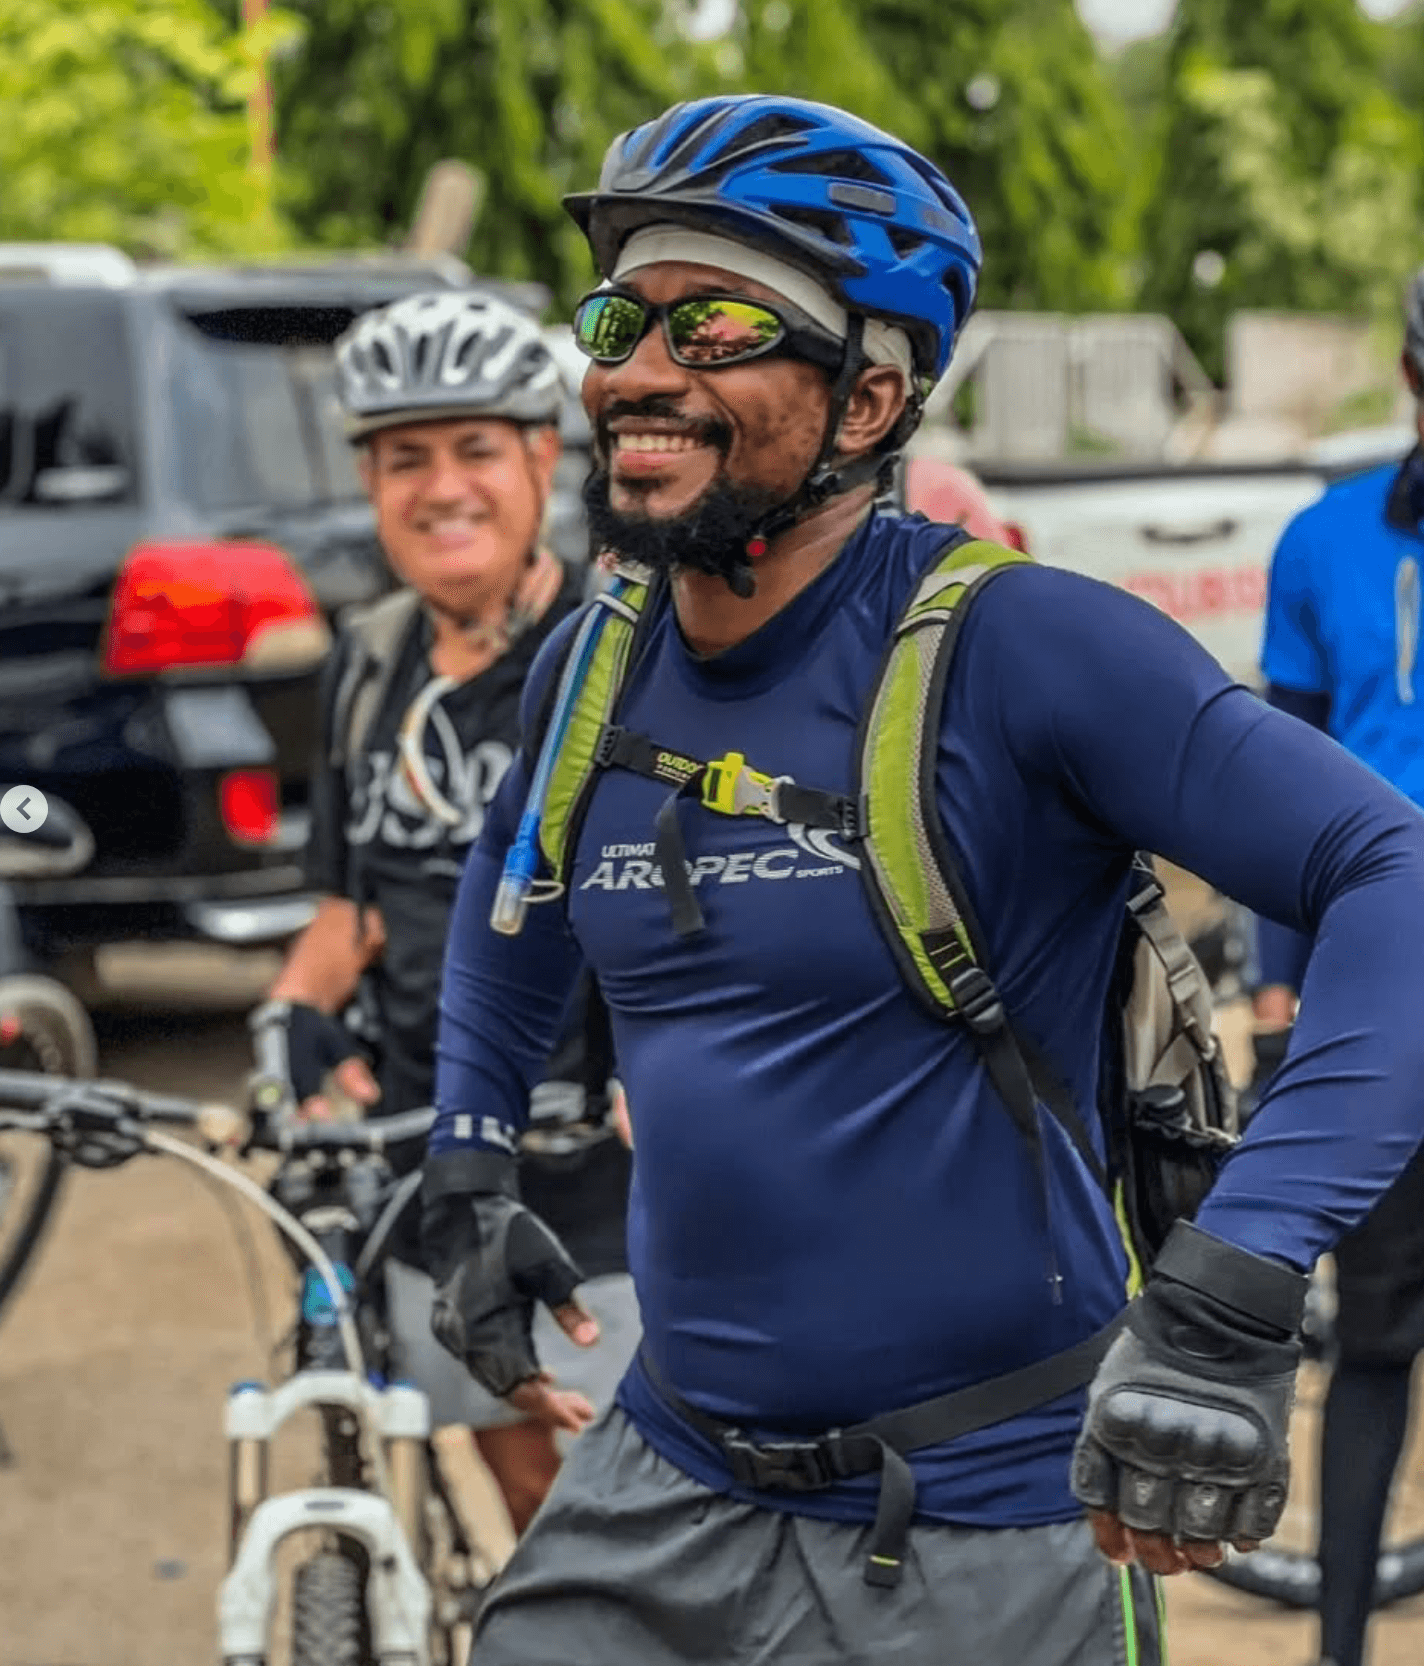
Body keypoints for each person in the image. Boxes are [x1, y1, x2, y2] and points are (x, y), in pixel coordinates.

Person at [418, 96, 1424, 1666]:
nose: (636, 372)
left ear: (872, 395)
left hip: (987, 1526)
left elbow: (1391, 867)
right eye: (622, 318)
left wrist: (1234, 1284)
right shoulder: (593, 663)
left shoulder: (1026, 647)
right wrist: (471, 1167)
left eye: (719, 324)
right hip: (658, 1483)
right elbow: (512, 885)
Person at [247, 288, 639, 1536]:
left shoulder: (618, 649)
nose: (441, 487)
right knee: (512, 1475)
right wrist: (293, 1018)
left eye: (475, 448)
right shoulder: (368, 662)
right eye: (405, 458)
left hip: (604, 1179)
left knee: (613, 1521)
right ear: (369, 481)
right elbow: (346, 914)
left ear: (540, 458)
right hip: (422, 1166)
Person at [1251, 267, 1424, 1666]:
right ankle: (1344, 1645)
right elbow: (1279, 785)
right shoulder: (1323, 542)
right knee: (1372, 1337)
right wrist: (1272, 983)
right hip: (1382, 992)